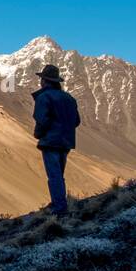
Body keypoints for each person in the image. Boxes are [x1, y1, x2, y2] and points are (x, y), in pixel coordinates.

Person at [31, 64, 80, 216]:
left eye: (41, 79)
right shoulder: (69, 99)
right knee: (59, 174)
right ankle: (58, 202)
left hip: (51, 142)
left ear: (45, 81)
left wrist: (38, 134)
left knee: (54, 175)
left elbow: (42, 120)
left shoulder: (44, 97)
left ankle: (59, 208)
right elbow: (76, 121)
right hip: (65, 142)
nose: (40, 82)